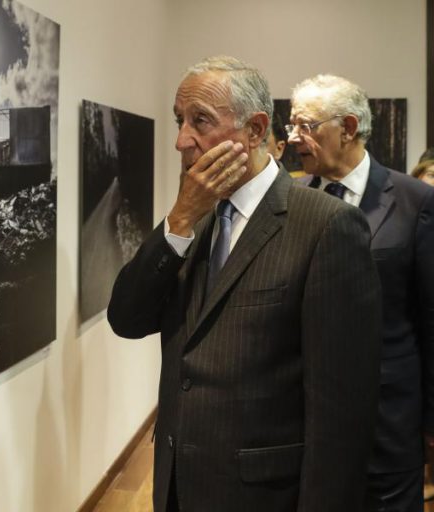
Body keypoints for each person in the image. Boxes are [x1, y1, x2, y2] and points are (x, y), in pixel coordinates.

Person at [108, 56, 382, 512]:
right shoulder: (196, 219)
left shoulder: (327, 226)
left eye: (200, 121)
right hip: (178, 484)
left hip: (263, 495)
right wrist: (178, 220)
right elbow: (127, 318)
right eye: (180, 120)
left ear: (255, 130)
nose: (181, 140)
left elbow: (342, 418)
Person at [288, 74, 434, 512]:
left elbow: (430, 317)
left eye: (306, 125)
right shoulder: (292, 200)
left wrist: (430, 418)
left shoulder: (414, 202)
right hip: (306, 423)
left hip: (387, 421)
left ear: (348, 128)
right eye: (291, 125)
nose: (294, 136)